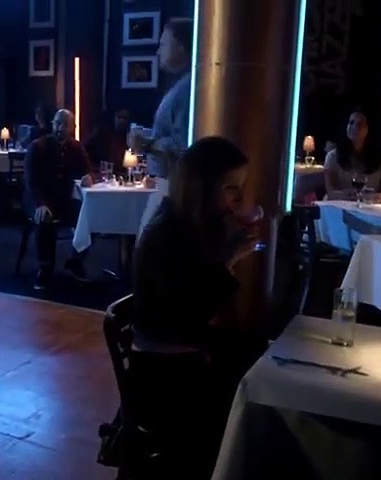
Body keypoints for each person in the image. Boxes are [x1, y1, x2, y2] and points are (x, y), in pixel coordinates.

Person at [131, 136, 261, 479]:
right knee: (254, 399)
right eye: (231, 188)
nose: (239, 199)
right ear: (202, 186)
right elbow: (187, 317)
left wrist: (227, 252)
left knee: (258, 358)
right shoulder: (166, 234)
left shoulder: (189, 225)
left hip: (178, 352)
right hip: (163, 373)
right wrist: (229, 262)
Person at [129, 17, 194, 237]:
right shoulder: (182, 86)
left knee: (148, 248)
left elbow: (186, 145)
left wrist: (147, 144)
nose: (158, 51)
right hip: (167, 186)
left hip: (173, 189)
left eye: (163, 44)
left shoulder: (187, 89)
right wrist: (148, 137)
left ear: (182, 47)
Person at [24, 109, 95, 290]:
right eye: (57, 123)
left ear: (73, 128)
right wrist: (40, 204)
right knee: (45, 217)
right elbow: (31, 183)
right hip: (38, 199)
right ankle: (45, 267)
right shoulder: (37, 147)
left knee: (91, 216)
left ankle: (75, 261)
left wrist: (88, 177)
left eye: (65, 125)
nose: (60, 128)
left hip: (63, 200)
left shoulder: (76, 147)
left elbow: (87, 170)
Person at [324, 108, 381, 202]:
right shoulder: (333, 156)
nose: (354, 127)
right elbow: (330, 192)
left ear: (368, 129)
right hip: (340, 205)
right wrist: (348, 195)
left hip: (370, 206)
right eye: (351, 123)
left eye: (360, 124)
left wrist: (373, 197)